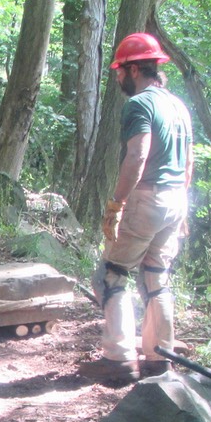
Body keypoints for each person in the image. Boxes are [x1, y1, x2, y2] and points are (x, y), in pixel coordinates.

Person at [79, 32, 194, 384]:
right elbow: (188, 161)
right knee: (156, 277)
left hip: (146, 197)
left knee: (112, 275)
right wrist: (183, 208)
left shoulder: (139, 105)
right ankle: (159, 358)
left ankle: (119, 359)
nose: (117, 77)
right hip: (176, 199)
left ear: (133, 69)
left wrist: (117, 203)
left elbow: (138, 155)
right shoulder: (178, 106)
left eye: (119, 70)